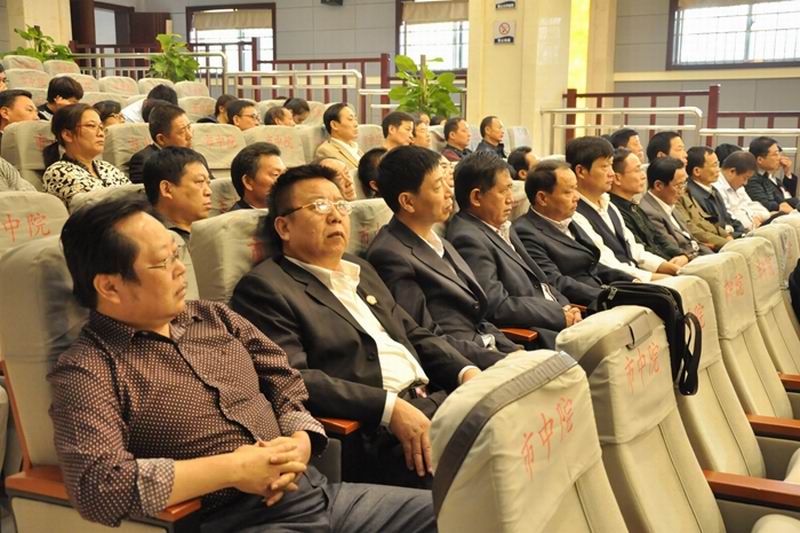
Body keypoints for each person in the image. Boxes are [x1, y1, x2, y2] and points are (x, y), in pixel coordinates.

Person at [51, 198, 437, 532]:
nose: (180, 269)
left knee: (460, 512)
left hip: (320, 495)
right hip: (237, 521)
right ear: (110, 286)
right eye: (162, 263)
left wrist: (299, 442)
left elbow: (284, 379)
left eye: (176, 254)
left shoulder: (214, 317)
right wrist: (235, 469)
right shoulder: (89, 369)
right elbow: (99, 486)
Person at [231, 164, 479, 488]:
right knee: (485, 483)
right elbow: (296, 379)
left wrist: (465, 372)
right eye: (319, 206)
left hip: (433, 401)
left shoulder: (359, 268)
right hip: (375, 432)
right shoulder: (265, 289)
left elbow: (412, 333)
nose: (336, 216)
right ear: (284, 227)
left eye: (340, 205)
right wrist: (389, 408)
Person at [367, 146, 520, 369]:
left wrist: (515, 351)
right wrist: (505, 362)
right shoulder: (390, 255)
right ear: (408, 202)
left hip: (490, 350)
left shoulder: (438, 240)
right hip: (462, 367)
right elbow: (425, 337)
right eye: (438, 186)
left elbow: (478, 317)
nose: (450, 193)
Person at [446, 151, 582, 348]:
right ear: (476, 197)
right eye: (503, 191)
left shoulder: (502, 226)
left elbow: (540, 281)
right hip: (537, 335)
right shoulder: (467, 238)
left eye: (511, 189)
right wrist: (558, 315)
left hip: (559, 321)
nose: (511, 199)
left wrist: (566, 306)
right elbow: (496, 306)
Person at [514, 160, 634, 306]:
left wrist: (631, 281)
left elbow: (592, 265)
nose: (576, 197)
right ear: (542, 198)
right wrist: (609, 296)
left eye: (575, 189)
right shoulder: (525, 232)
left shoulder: (569, 219)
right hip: (581, 305)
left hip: (601, 291)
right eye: (568, 192)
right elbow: (554, 282)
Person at [567, 136, 675, 281]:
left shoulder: (609, 205)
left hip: (636, 275)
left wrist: (671, 268)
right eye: (604, 167)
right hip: (618, 283)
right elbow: (606, 263)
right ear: (581, 171)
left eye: (611, 165)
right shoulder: (574, 213)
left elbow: (634, 250)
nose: (611, 173)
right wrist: (654, 278)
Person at [609, 147, 690, 264]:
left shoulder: (633, 207)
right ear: (617, 178)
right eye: (637, 170)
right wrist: (668, 263)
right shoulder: (615, 211)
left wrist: (681, 255)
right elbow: (641, 248)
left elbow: (658, 238)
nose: (643, 176)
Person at [42, 103, 130, 205]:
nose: (101, 133)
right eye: (91, 126)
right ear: (67, 135)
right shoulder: (57, 172)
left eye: (101, 127)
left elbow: (135, 194)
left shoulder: (107, 167)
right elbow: (98, 207)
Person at [639, 157, 713, 257]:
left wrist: (713, 257)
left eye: (684, 183)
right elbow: (673, 250)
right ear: (658, 185)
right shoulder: (649, 212)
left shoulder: (670, 203)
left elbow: (692, 240)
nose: (682, 191)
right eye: (679, 185)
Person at [142, 146, 211, 242]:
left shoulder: (211, 230)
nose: (209, 192)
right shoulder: (149, 240)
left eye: (208, 183)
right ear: (167, 189)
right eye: (199, 182)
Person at [685, 146, 746, 238]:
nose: (718, 170)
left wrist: (741, 232)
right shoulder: (692, 194)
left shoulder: (712, 189)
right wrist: (735, 234)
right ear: (697, 171)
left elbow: (727, 217)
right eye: (714, 165)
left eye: (718, 164)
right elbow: (713, 226)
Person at [127, 103, 194, 184]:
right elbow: (144, 191)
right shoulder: (144, 161)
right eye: (182, 131)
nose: (190, 135)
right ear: (161, 139)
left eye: (189, 127)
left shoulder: (194, 156)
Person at [714, 150, 772, 230]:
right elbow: (730, 219)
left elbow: (755, 206)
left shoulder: (738, 187)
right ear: (732, 171)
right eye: (745, 178)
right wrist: (752, 219)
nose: (745, 183)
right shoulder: (717, 187)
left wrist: (754, 217)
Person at [747, 136, 798, 213]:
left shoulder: (766, 176)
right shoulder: (751, 178)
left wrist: (787, 172)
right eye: (775, 154)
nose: (779, 158)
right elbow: (764, 204)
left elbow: (784, 198)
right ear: (760, 159)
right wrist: (783, 205)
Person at [230, 142, 286, 211]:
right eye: (276, 174)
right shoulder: (235, 217)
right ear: (248, 182)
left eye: (285, 173)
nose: (286, 179)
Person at [315, 103, 362, 170]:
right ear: (334, 125)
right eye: (350, 119)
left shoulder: (355, 146)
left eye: (356, 119)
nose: (356, 124)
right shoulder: (326, 151)